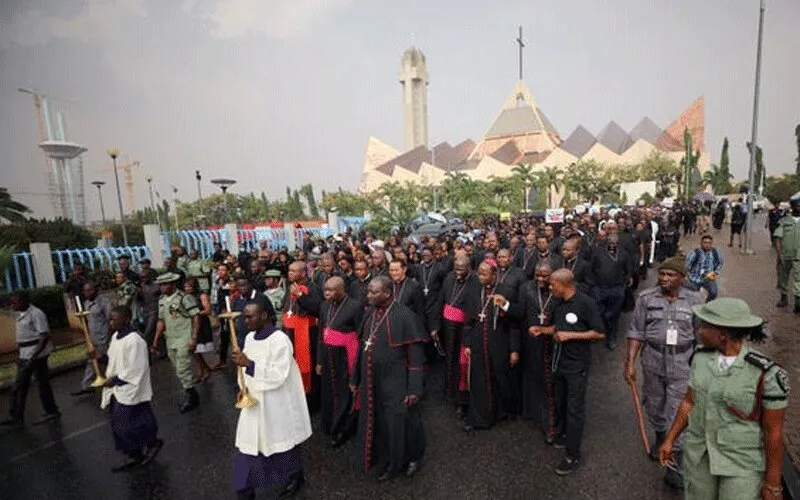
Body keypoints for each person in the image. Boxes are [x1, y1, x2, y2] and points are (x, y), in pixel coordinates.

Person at [660, 298, 788, 500]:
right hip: (700, 456)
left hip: (741, 462)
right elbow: (689, 402)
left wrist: (773, 484)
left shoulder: (766, 374)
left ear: (722, 334)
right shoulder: (700, 358)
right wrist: (670, 440)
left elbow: (774, 432)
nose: (698, 329)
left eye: (703, 325)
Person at [624, 256, 703, 489]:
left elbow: (702, 336)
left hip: (682, 362)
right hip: (653, 360)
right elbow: (636, 331)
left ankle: (674, 465)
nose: (665, 279)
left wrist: (701, 367)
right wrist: (630, 363)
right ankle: (660, 436)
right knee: (656, 405)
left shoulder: (696, 300)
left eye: (671, 275)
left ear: (682, 278)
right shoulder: (646, 299)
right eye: (662, 274)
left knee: (677, 411)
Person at [232, 298, 311, 500]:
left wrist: (249, 364)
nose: (245, 321)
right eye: (244, 316)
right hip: (254, 401)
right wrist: (243, 387)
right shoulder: (250, 338)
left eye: (250, 316)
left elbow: (279, 374)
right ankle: (244, 489)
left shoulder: (280, 340)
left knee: (282, 444)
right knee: (248, 446)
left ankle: (295, 476)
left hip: (277, 402)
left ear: (265, 316)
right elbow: (245, 370)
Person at [350, 276, 428, 481]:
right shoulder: (370, 314)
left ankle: (412, 458)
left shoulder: (405, 316)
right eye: (368, 292)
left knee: (404, 421)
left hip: (397, 380)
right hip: (373, 379)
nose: (368, 296)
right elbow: (362, 347)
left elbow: (416, 358)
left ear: (387, 293)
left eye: (373, 292)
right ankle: (389, 457)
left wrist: (414, 389)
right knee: (382, 421)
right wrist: (355, 377)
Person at [530, 269, 605, 476]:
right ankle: (564, 436)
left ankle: (573, 455)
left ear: (565, 285)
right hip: (559, 363)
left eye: (553, 285)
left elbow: (599, 332)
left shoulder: (586, 304)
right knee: (561, 401)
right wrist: (542, 330)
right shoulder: (558, 304)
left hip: (577, 366)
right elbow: (557, 328)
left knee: (574, 409)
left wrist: (571, 336)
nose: (549, 287)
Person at [97, 306, 163, 472]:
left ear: (126, 319)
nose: (110, 322)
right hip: (118, 388)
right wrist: (100, 358)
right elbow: (114, 360)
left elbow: (137, 367)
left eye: (114, 319)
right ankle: (134, 453)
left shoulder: (135, 340)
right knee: (120, 423)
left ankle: (152, 443)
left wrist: (116, 380)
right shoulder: (115, 337)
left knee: (131, 423)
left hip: (130, 387)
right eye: (110, 318)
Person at [315, 277, 364, 448]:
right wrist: (319, 360)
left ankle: (344, 428)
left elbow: (361, 335)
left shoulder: (355, 306)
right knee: (329, 391)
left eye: (331, 290)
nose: (326, 293)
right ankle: (330, 424)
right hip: (328, 357)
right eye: (325, 289)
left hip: (345, 356)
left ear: (342, 289)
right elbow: (322, 334)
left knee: (345, 393)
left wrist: (358, 364)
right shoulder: (324, 306)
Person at [1, 291, 60, 427]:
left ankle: (51, 411)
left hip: (36, 355)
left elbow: (44, 336)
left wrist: (33, 357)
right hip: (25, 354)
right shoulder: (20, 313)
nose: (12, 305)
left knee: (37, 384)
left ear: (25, 301)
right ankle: (17, 416)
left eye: (15, 302)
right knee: (22, 386)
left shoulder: (36, 314)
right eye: (11, 302)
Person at [151, 272, 200, 413]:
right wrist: (155, 341)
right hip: (170, 338)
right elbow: (161, 320)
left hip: (184, 336)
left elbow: (195, 316)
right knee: (177, 369)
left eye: (165, 284)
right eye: (160, 285)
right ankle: (192, 392)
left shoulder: (184, 298)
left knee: (183, 367)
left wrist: (194, 338)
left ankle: (191, 396)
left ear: (172, 284)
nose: (162, 287)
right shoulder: (162, 300)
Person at [72, 282, 112, 396]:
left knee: (106, 360)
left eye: (90, 290)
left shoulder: (104, 302)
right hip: (92, 337)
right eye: (85, 291)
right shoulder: (85, 303)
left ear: (96, 290)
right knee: (91, 360)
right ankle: (87, 385)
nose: (87, 293)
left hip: (103, 337)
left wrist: (108, 337)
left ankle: (112, 382)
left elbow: (110, 320)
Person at [773, 197, 800, 311]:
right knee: (783, 277)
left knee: (798, 278)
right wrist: (779, 254)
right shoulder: (784, 221)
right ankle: (784, 297)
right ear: (793, 207)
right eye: (798, 206)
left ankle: (798, 302)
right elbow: (778, 238)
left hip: (799, 255)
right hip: (785, 255)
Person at [685, 234, 723, 302]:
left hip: (709, 278)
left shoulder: (715, 252)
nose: (707, 245)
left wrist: (715, 272)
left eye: (709, 243)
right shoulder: (695, 252)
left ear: (712, 244)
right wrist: (689, 277)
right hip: (695, 279)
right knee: (692, 296)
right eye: (705, 242)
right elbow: (686, 265)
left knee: (713, 293)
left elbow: (720, 263)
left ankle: (706, 304)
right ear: (701, 243)